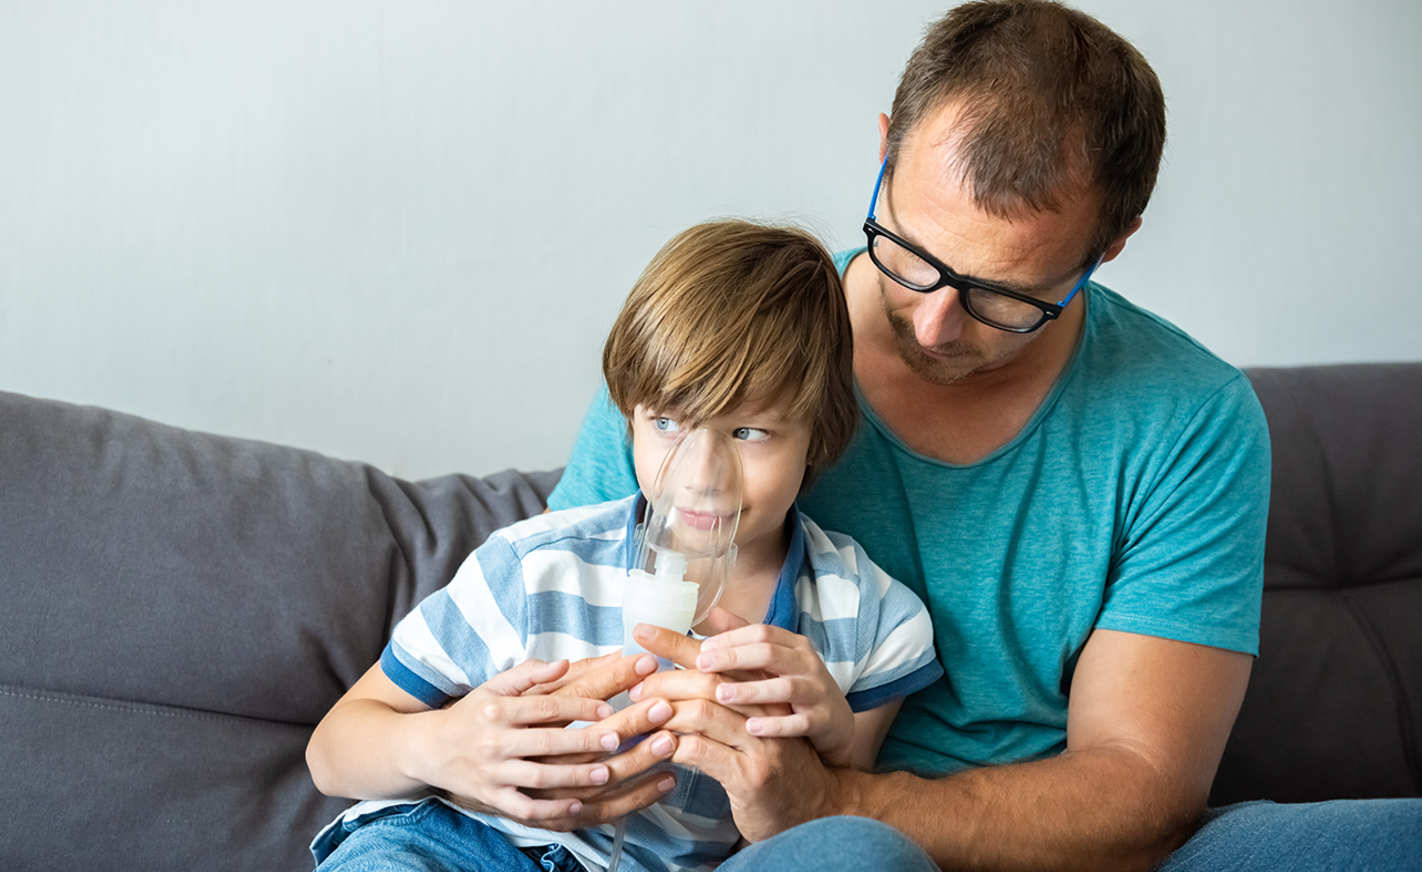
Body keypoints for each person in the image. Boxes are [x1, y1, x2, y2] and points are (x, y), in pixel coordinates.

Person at [529, 1, 1421, 870]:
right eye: (909, 253)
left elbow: (1144, 791)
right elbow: (558, 637)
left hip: (1052, 845)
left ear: (1112, 244)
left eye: (1004, 297)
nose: (934, 325)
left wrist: (839, 799)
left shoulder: (1192, 420)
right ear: (884, 148)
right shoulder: (724, 354)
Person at [305, 220, 943, 872]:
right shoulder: (536, 573)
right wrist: (441, 746)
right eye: (667, 422)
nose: (700, 475)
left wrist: (826, 753)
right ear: (630, 415)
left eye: (749, 431)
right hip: (470, 847)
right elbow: (331, 753)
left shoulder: (865, 622)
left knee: (864, 854)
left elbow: (803, 837)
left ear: (821, 433)